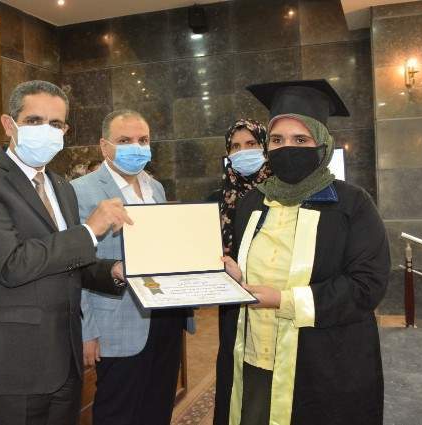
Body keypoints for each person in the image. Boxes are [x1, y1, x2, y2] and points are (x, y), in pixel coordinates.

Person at [0, 80, 133, 425]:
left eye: (56, 123)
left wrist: (110, 270)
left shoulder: (61, 185)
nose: (46, 131)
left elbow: (67, 262)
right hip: (14, 362)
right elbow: (12, 264)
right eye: (35, 121)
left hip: (65, 356)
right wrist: (89, 230)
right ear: (9, 124)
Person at [214, 79, 390, 425]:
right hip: (254, 355)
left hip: (323, 364)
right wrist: (238, 275)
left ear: (321, 144)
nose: (286, 149)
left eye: (300, 140)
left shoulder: (351, 204)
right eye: (277, 140)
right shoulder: (253, 202)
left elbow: (366, 285)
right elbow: (258, 269)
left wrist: (284, 300)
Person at [71, 109, 195, 425]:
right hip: (118, 324)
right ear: (104, 146)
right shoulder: (80, 191)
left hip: (165, 317)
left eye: (143, 140)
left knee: (157, 407)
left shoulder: (156, 187)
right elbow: (75, 264)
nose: (136, 147)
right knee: (118, 413)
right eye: (125, 140)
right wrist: (86, 330)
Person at [215, 119, 272, 255]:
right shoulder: (218, 198)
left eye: (251, 144)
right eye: (235, 146)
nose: (243, 151)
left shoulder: (281, 192)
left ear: (265, 146)